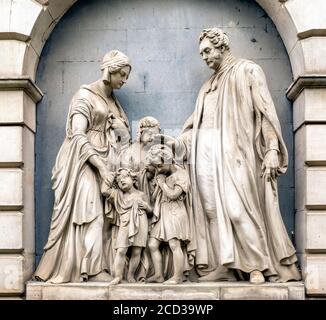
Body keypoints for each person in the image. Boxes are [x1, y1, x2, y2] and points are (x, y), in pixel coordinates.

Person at [160, 28, 301, 284]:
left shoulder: (247, 71)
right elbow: (197, 125)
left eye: (207, 50)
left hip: (235, 154)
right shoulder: (207, 86)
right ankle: (224, 263)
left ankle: (257, 265)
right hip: (205, 156)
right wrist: (171, 142)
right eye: (201, 52)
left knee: (238, 210)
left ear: (222, 47)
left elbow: (265, 113)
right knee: (211, 211)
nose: (203, 57)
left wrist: (271, 149)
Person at [33, 50, 131, 283]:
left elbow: (123, 135)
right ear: (110, 70)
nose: (124, 80)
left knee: (108, 221)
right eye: (122, 75)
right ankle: (91, 269)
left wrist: (121, 130)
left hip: (109, 161)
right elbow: (77, 135)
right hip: (84, 162)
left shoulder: (114, 102)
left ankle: (101, 266)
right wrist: (100, 167)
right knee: (91, 215)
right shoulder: (85, 95)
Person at [146, 144, 196, 285]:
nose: (158, 169)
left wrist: (162, 184)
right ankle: (158, 275)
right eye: (156, 167)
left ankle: (177, 276)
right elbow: (155, 196)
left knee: (174, 244)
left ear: (168, 160)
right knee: (152, 244)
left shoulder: (181, 174)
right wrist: (157, 183)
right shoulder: (163, 175)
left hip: (175, 211)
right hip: (163, 211)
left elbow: (174, 195)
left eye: (160, 166)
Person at [102, 168, 152, 285]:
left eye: (125, 177)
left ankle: (130, 276)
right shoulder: (118, 195)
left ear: (133, 179)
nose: (122, 181)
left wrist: (146, 206)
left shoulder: (141, 194)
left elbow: (150, 212)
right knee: (121, 250)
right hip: (125, 224)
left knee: (136, 252)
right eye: (119, 181)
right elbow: (104, 191)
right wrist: (111, 176)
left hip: (141, 223)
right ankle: (118, 276)